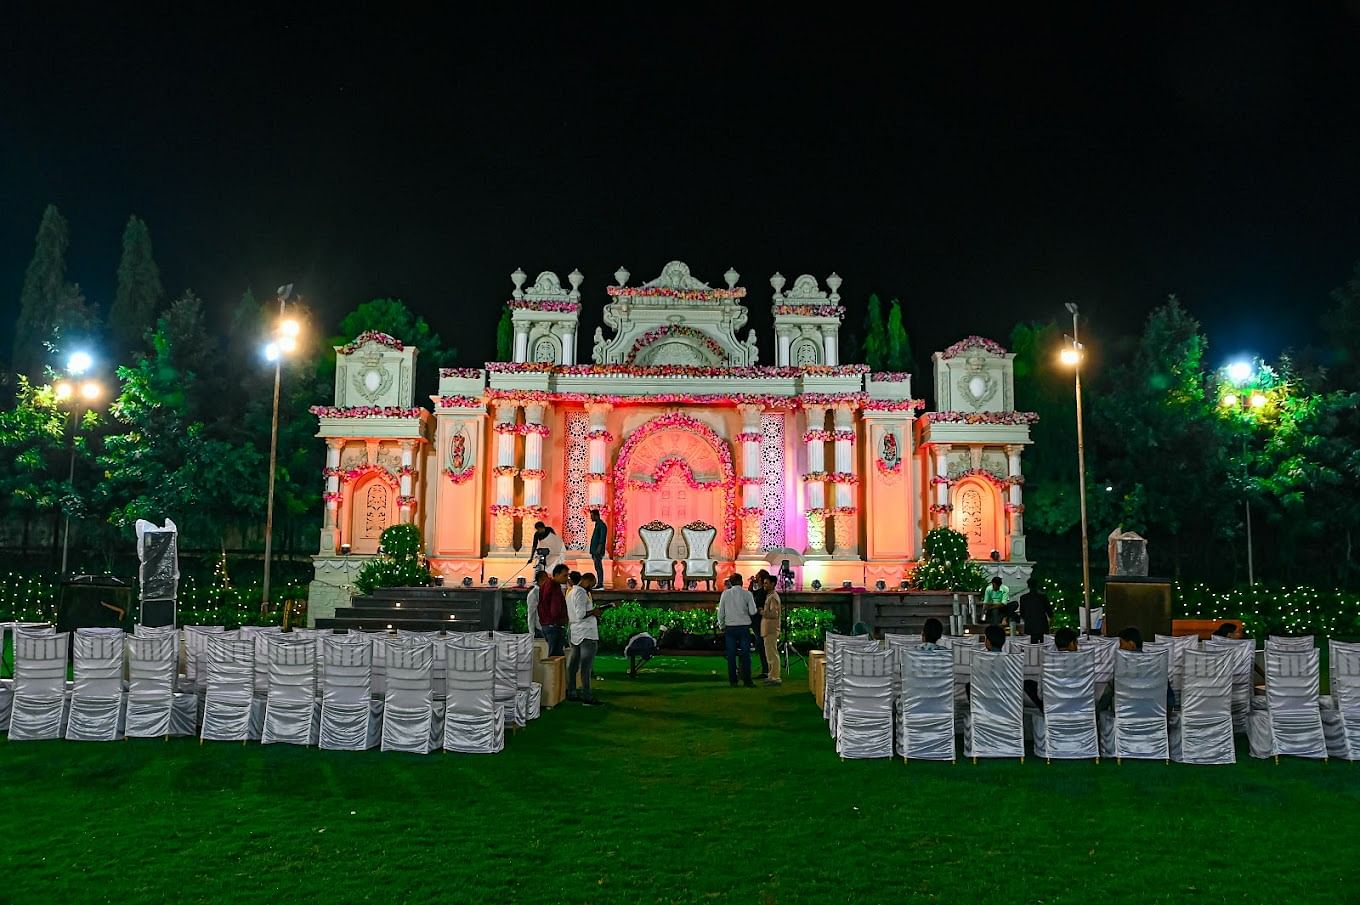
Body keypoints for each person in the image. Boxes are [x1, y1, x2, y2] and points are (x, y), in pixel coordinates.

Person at [566, 572, 605, 706]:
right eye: (592, 585)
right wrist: (594, 612)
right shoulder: (581, 593)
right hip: (586, 634)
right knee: (585, 667)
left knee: (573, 665)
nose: (591, 588)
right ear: (587, 581)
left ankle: (571, 692)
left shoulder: (571, 592)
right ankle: (587, 696)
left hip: (576, 632)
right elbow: (581, 614)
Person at [717, 573, 757, 688]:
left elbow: (721, 612)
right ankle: (747, 680)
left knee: (731, 655)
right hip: (744, 627)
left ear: (730, 582)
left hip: (730, 627)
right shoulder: (747, 594)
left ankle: (733, 681)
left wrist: (722, 625)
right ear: (741, 582)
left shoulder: (725, 594)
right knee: (745, 654)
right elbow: (753, 611)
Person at [1023, 627, 1078, 710]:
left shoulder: (1047, 661)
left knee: (1028, 684)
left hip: (1052, 707)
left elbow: (1040, 695)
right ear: (1071, 643)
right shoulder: (1082, 661)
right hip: (1077, 704)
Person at [536, 565, 569, 657]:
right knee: (554, 656)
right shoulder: (551, 586)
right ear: (557, 575)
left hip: (552, 624)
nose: (567, 578)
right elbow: (554, 607)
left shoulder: (553, 585)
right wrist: (560, 619)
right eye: (565, 575)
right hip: (553, 625)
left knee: (557, 655)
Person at [760, 573, 783, 686]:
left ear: (773, 584)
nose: (764, 585)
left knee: (772, 653)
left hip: (771, 629)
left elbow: (774, 614)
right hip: (768, 629)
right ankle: (771, 675)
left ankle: (775, 677)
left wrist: (762, 612)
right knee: (769, 654)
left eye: (766, 583)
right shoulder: (770, 596)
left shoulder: (773, 597)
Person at [1016, 579, 1054, 643]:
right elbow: (1049, 610)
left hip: (1029, 625)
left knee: (1031, 645)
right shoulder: (1043, 596)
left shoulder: (1023, 598)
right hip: (1042, 625)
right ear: (1037, 585)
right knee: (1043, 645)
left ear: (1028, 586)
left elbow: (1022, 613)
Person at [750, 569, 771, 679]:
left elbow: (754, 601)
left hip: (760, 622)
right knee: (761, 646)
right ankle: (766, 669)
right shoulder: (761, 591)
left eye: (757, 577)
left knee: (763, 646)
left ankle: (766, 670)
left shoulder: (764, 592)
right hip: (757, 622)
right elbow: (752, 595)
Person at [588, 510, 608, 582]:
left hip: (597, 551)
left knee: (598, 567)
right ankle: (599, 582)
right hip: (594, 550)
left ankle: (600, 583)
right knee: (597, 567)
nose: (591, 517)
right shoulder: (597, 525)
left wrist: (598, 550)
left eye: (592, 516)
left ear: (596, 516)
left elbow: (602, 539)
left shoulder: (601, 525)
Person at [526, 570, 545, 638]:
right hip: (540, 629)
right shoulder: (533, 593)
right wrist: (531, 633)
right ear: (540, 579)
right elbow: (531, 613)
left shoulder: (546, 590)